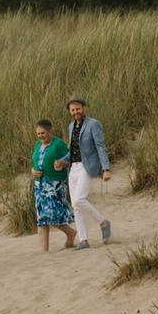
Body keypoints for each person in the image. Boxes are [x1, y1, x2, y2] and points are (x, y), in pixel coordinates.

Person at [56, 97, 113, 250]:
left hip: (87, 166)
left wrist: (106, 169)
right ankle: (83, 240)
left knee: (79, 200)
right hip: (72, 168)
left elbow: (101, 147)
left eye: (78, 109)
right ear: (70, 112)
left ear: (83, 108)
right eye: (73, 110)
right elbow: (72, 150)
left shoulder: (93, 124)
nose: (75, 112)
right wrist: (62, 161)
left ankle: (103, 222)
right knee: (76, 206)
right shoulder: (70, 126)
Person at [30, 119, 78, 251]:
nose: (40, 136)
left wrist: (62, 163)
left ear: (50, 131)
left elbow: (71, 158)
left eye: (43, 133)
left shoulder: (58, 144)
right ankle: (44, 251)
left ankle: (70, 233)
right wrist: (33, 171)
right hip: (39, 186)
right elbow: (34, 163)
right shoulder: (37, 145)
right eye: (38, 133)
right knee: (41, 218)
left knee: (52, 215)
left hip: (54, 185)